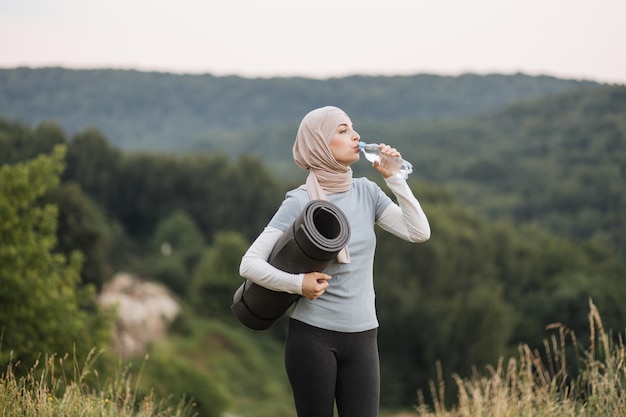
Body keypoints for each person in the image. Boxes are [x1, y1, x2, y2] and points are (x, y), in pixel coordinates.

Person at [239, 105, 431, 417]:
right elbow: (249, 264)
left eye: (352, 128)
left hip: (364, 337)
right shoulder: (300, 201)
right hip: (312, 337)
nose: (355, 135)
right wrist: (298, 284)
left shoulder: (367, 192)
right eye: (342, 130)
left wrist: (395, 179)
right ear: (319, 144)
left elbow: (418, 231)